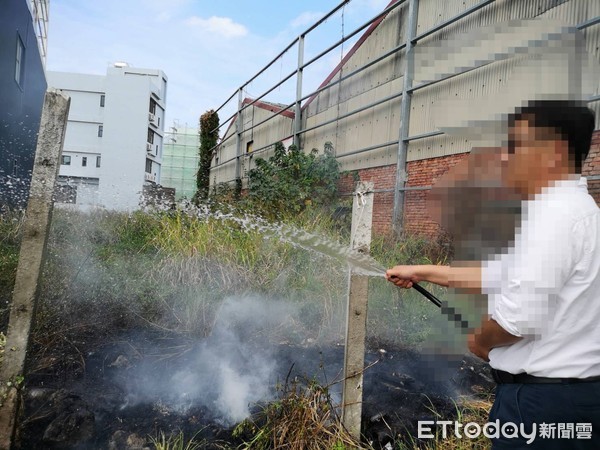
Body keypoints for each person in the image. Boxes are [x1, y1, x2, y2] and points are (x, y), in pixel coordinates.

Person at [386, 100, 600, 449]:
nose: (504, 157)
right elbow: (498, 274)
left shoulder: (552, 218)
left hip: (540, 406)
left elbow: (519, 320)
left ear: (554, 153)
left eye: (515, 145)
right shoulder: (575, 211)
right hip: (566, 399)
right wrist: (421, 271)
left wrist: (481, 341)